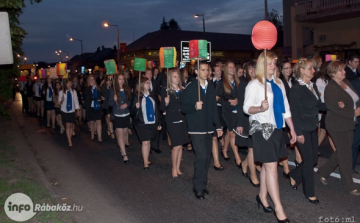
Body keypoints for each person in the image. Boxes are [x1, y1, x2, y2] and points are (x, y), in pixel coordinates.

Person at [243, 51, 296, 223]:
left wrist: (292, 130)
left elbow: (285, 108)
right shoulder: (254, 85)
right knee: (272, 166)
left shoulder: (279, 83)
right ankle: (279, 209)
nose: (273, 66)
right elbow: (246, 108)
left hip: (277, 128)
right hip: (262, 129)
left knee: (267, 165)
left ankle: (262, 196)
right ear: (261, 65)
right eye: (269, 63)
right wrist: (259, 108)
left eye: (274, 63)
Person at [181, 61, 223, 200]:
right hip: (196, 128)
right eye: (203, 70)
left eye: (207, 70)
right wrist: (194, 106)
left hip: (207, 128)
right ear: (197, 71)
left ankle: (202, 185)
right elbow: (184, 108)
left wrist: (218, 126)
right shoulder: (191, 87)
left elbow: (213, 108)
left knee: (207, 158)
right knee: (202, 157)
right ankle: (197, 187)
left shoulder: (211, 86)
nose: (206, 72)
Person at [288, 58, 328, 204]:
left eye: (313, 68)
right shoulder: (297, 89)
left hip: (312, 127)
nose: (313, 71)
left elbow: (317, 105)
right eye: (310, 68)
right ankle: (309, 193)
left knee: (313, 160)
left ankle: (294, 175)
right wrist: (298, 133)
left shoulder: (312, 86)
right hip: (302, 129)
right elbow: (294, 113)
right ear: (302, 70)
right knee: (309, 159)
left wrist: (333, 106)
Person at [318, 60, 360, 196]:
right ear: (333, 73)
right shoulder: (331, 87)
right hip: (336, 124)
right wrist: (352, 112)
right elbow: (333, 107)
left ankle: (323, 171)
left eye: (343, 69)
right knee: (346, 155)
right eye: (341, 70)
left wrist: (355, 108)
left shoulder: (346, 83)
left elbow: (355, 98)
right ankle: (348, 185)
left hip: (348, 122)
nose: (344, 72)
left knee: (342, 151)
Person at [160, 69, 190, 177]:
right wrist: (165, 102)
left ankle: (178, 167)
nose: (177, 78)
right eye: (174, 76)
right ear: (170, 78)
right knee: (176, 145)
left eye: (178, 76)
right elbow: (162, 108)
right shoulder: (166, 90)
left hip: (182, 119)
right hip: (172, 120)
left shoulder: (183, 90)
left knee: (181, 145)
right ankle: (173, 168)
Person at [236, 61, 260, 187]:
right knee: (251, 148)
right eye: (249, 69)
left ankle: (245, 164)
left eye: (254, 68)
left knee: (255, 147)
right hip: (247, 119)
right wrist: (239, 123)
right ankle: (253, 175)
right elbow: (240, 105)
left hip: (258, 118)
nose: (252, 71)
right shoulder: (244, 84)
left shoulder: (260, 83)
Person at [131, 77, 162, 170]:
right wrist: (135, 108)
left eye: (149, 83)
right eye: (147, 83)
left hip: (151, 122)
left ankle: (147, 159)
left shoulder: (152, 96)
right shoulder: (137, 97)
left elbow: (156, 110)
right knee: (145, 142)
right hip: (141, 123)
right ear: (141, 85)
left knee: (148, 142)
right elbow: (131, 112)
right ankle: (145, 163)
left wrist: (159, 122)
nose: (149, 84)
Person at [216, 61, 242, 169]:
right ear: (226, 69)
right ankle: (237, 158)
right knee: (233, 133)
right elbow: (217, 97)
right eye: (230, 67)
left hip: (238, 110)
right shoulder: (222, 83)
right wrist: (229, 101)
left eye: (233, 67)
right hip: (227, 111)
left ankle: (224, 150)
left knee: (228, 132)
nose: (232, 69)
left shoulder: (238, 82)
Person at [109, 74, 132, 163]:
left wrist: (127, 104)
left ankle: (122, 147)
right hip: (117, 114)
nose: (121, 80)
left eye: (122, 79)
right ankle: (124, 154)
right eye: (119, 79)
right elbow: (110, 104)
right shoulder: (113, 90)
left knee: (125, 132)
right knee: (120, 134)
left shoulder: (127, 89)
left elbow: (130, 100)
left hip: (126, 114)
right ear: (116, 80)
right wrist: (114, 100)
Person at [316, 62, 337, 154]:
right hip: (324, 107)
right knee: (326, 130)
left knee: (325, 131)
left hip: (330, 107)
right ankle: (337, 153)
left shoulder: (331, 80)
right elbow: (316, 94)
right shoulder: (320, 80)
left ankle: (315, 149)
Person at [144, 68, 162, 153]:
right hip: (147, 107)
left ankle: (155, 146)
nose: (149, 75)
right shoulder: (142, 84)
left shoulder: (155, 83)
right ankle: (148, 146)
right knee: (148, 127)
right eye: (148, 73)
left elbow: (158, 93)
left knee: (157, 127)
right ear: (144, 75)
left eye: (150, 73)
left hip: (155, 106)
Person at [211, 65, 225, 170]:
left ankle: (223, 149)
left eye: (220, 70)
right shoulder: (210, 83)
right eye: (217, 70)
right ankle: (216, 161)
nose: (219, 72)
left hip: (222, 109)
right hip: (212, 110)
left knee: (221, 131)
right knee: (214, 136)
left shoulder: (225, 82)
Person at [59, 79, 80, 147]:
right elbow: (60, 103)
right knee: (67, 125)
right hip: (65, 110)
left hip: (72, 110)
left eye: (70, 83)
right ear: (65, 84)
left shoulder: (73, 91)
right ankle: (69, 140)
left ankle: (70, 137)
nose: (69, 85)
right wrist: (61, 100)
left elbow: (76, 101)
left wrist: (78, 110)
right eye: (68, 83)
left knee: (71, 125)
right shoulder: (61, 92)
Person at [84, 75, 103, 142]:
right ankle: (92, 135)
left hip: (97, 107)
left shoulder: (98, 88)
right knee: (92, 122)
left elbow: (101, 96)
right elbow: (87, 96)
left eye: (93, 79)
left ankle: (99, 137)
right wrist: (90, 87)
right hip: (90, 107)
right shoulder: (87, 88)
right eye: (90, 80)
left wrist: (100, 99)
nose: (92, 81)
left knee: (98, 121)